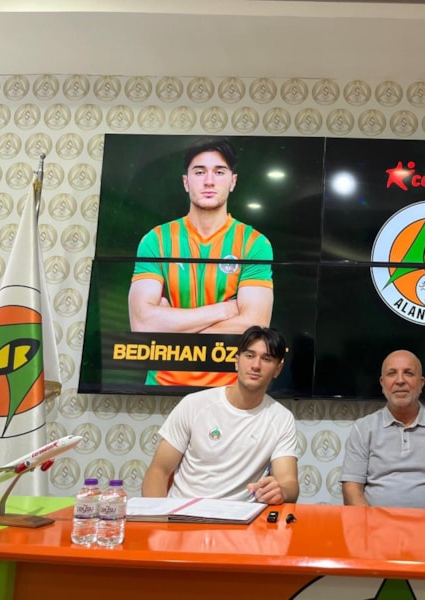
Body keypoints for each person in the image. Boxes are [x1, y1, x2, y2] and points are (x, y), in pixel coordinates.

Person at [128, 137, 273, 387]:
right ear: (186, 182)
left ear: (232, 182)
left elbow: (253, 327)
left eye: (219, 171)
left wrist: (169, 324)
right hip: (161, 388)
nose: (209, 181)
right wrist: (225, 310)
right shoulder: (156, 240)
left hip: (229, 391)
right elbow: (142, 325)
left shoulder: (254, 244)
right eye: (199, 171)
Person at [142, 326, 298, 503]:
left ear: (278, 369)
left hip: (241, 517)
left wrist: (281, 492)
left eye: (266, 359)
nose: (256, 365)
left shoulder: (281, 418)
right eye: (249, 356)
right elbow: (159, 471)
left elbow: (289, 483)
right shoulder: (194, 404)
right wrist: (157, 515)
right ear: (237, 361)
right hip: (183, 512)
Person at [340, 350, 425, 509]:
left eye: (408, 373)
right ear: (382, 383)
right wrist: (371, 523)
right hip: (377, 523)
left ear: (421, 383)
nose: (400, 380)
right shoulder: (363, 428)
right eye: (392, 373)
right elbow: (351, 489)